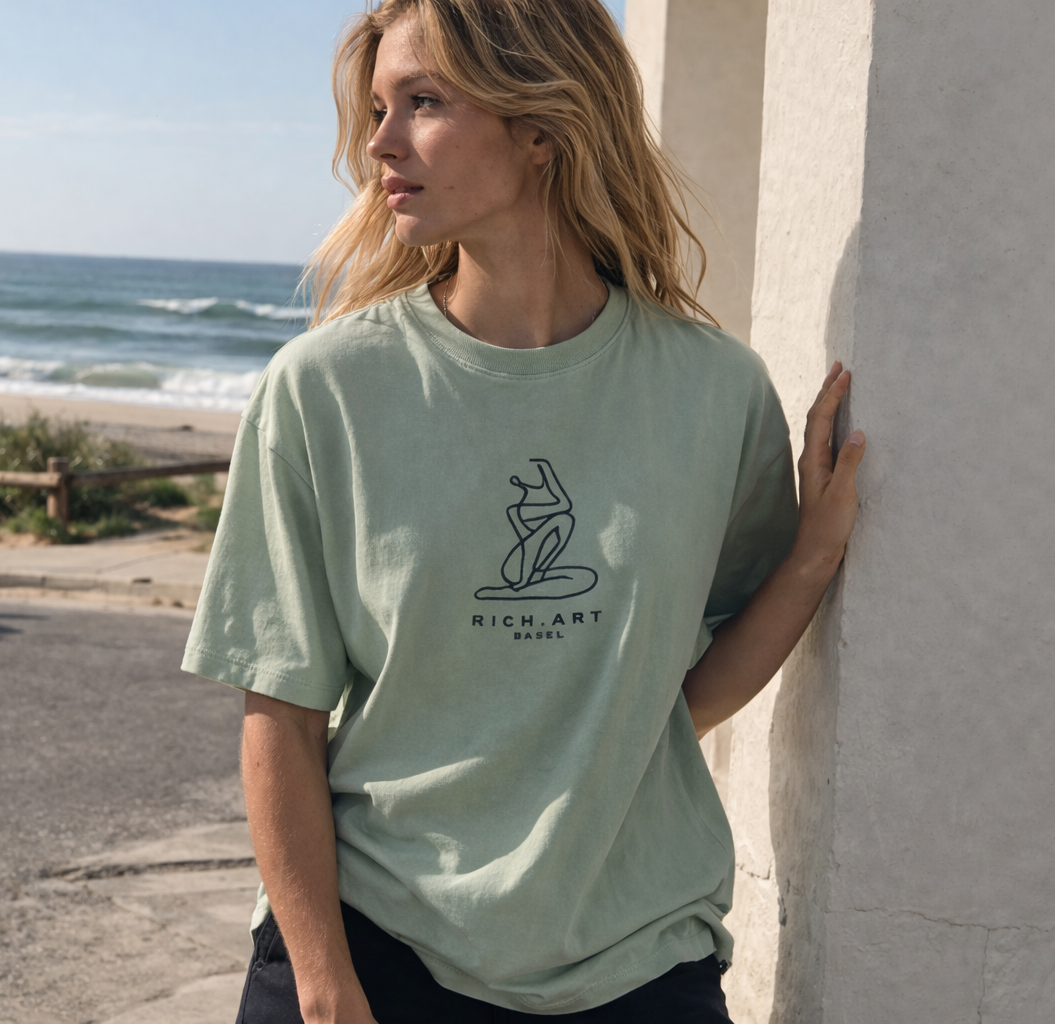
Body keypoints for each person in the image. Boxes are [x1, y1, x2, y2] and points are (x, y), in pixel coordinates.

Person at [182, 0, 866, 1020]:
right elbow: (280, 711)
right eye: (378, 108)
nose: (380, 143)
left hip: (636, 955)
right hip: (374, 946)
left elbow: (671, 696)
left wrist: (811, 557)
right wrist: (324, 990)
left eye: (423, 102)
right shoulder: (325, 391)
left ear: (541, 127)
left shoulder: (714, 393)